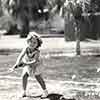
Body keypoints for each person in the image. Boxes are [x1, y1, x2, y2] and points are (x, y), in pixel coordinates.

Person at [11, 32, 48, 98]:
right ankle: (24, 91)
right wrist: (17, 63)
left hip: (37, 65)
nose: (32, 44)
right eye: (30, 42)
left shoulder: (37, 52)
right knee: (24, 75)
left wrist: (25, 64)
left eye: (34, 43)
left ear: (38, 44)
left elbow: (34, 61)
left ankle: (45, 91)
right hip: (28, 62)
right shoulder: (26, 48)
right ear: (28, 41)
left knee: (38, 77)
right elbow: (21, 55)